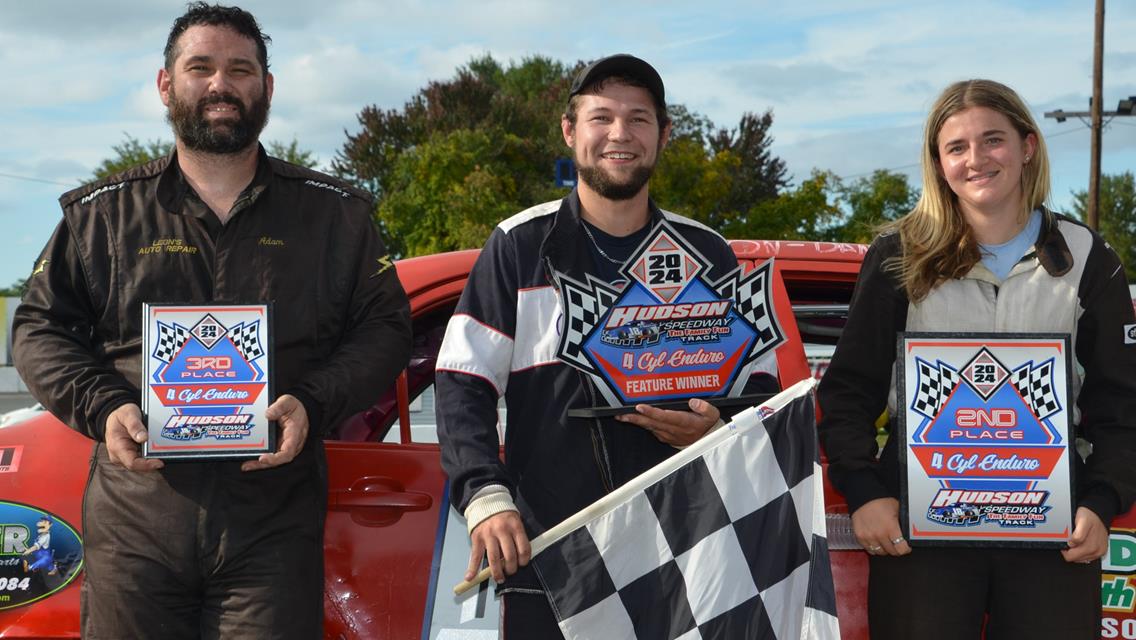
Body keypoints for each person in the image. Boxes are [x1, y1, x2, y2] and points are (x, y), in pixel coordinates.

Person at [12, 3, 411, 638]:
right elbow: (37, 328)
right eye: (201, 67)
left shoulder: (337, 218)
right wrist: (105, 406)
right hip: (138, 522)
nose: (221, 85)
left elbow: (387, 328)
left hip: (273, 526)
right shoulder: (101, 218)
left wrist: (312, 400)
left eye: (240, 69)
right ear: (166, 84)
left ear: (268, 88)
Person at [435, 54, 779, 636]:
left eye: (639, 119)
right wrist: (485, 496)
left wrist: (716, 428)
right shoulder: (519, 245)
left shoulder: (709, 252)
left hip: (687, 554)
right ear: (570, 131)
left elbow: (763, 396)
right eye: (601, 118)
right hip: (551, 554)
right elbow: (462, 382)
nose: (620, 135)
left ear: (663, 136)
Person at [818, 79, 1136, 639]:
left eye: (993, 140)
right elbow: (848, 391)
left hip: (1053, 534)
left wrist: (1102, 499)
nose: (976, 160)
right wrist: (866, 492)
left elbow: (1123, 401)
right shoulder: (899, 253)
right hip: (920, 533)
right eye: (957, 148)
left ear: (1027, 146)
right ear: (939, 164)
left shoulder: (1087, 256)